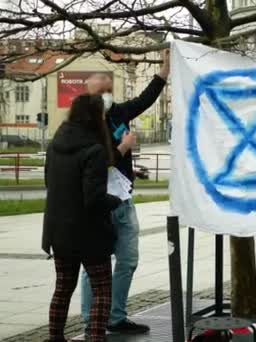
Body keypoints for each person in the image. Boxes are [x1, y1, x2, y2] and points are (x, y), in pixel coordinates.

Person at [80, 50, 170, 335]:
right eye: (101, 91)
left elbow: (146, 98)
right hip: (97, 202)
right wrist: (122, 148)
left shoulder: (118, 112)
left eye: (109, 90)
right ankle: (91, 319)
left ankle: (115, 317)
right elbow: (90, 163)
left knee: (128, 259)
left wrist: (165, 69)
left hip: (123, 198)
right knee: (95, 263)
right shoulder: (82, 123)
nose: (107, 95)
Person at [43, 94, 124, 342]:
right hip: (90, 234)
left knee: (63, 288)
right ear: (93, 117)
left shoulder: (55, 144)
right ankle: (95, 338)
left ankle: (55, 337)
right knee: (101, 289)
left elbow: (50, 183)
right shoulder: (94, 149)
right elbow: (94, 199)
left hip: (60, 232)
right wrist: (116, 200)